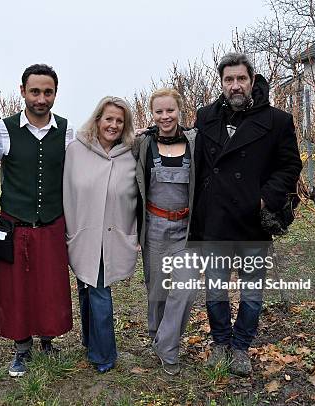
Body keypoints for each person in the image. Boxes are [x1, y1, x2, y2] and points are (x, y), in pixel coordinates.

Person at [190, 52, 302, 376]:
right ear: (221, 83)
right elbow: (192, 154)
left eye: (241, 79)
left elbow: (290, 165)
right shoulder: (205, 116)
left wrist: (265, 198)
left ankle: (241, 347)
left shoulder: (277, 121)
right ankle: (221, 343)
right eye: (229, 80)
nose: (235, 85)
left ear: (252, 81)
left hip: (253, 224)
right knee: (215, 290)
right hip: (216, 222)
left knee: (251, 293)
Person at [0, 64, 74, 377]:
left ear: (55, 93)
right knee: (15, 288)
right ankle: (21, 348)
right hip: (15, 223)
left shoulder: (65, 130)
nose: (41, 98)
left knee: (50, 285)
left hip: (52, 221)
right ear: (23, 91)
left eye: (48, 92)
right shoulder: (3, 129)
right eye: (35, 91)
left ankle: (48, 341)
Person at [63, 96, 138, 373]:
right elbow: (65, 191)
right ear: (97, 119)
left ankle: (103, 354)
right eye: (109, 118)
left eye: (120, 120)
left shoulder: (132, 154)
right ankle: (89, 339)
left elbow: (140, 195)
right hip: (82, 233)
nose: (114, 125)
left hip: (114, 235)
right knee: (85, 286)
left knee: (99, 290)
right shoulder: (75, 150)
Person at [135, 88, 198, 375]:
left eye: (170, 110)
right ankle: (156, 336)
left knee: (185, 288)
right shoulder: (143, 144)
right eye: (159, 111)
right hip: (155, 227)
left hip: (187, 229)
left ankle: (168, 345)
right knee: (157, 290)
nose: (165, 116)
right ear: (152, 114)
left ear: (179, 110)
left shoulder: (195, 142)